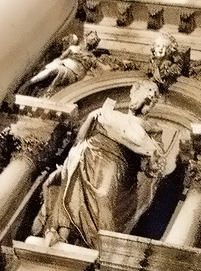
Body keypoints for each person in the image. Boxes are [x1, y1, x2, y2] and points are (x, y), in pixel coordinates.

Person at [30, 80, 171, 247]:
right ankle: (62, 233)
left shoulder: (152, 127)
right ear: (134, 93)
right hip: (88, 153)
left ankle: (97, 244)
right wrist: (92, 116)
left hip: (116, 163)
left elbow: (154, 159)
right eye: (148, 91)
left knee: (104, 196)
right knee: (72, 185)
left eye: (154, 96)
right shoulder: (109, 114)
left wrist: (150, 157)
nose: (151, 96)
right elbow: (81, 138)